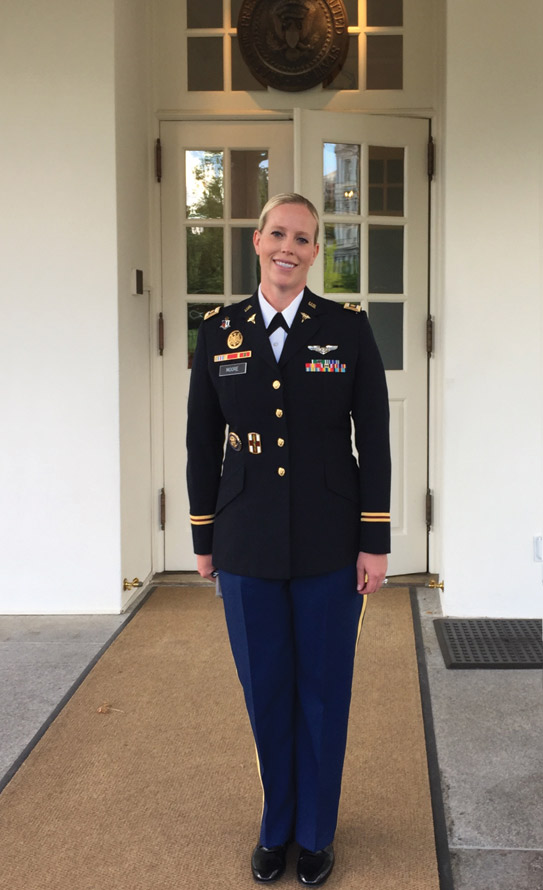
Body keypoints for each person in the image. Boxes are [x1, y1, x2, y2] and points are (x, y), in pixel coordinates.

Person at [186, 193, 391, 886]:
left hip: (331, 542)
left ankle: (317, 832)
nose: (288, 247)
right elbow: (199, 441)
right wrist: (203, 535)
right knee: (265, 690)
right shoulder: (218, 331)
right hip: (244, 540)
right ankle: (277, 827)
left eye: (302, 239)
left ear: (313, 252)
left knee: (323, 691)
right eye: (278, 233)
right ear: (256, 240)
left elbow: (376, 442)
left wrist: (374, 540)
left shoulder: (347, 328)